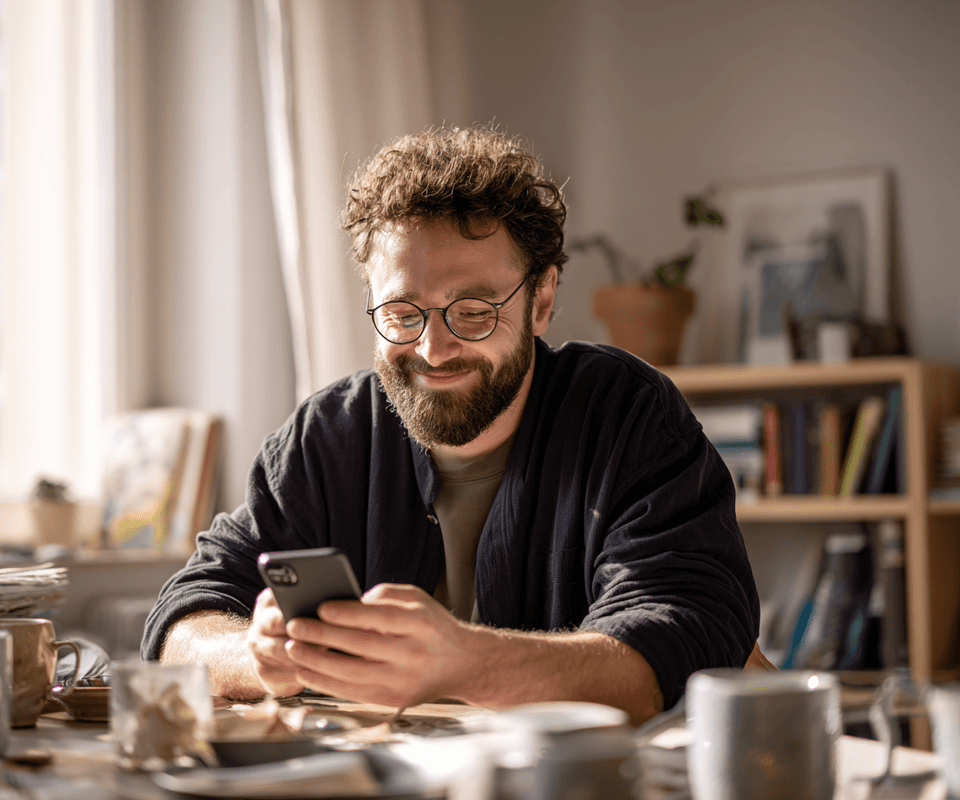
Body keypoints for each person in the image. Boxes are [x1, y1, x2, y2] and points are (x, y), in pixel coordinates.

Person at [141, 127, 759, 724]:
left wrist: (464, 664)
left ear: (540, 301)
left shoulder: (626, 417)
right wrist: (254, 656)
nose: (433, 349)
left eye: (473, 311)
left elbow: (687, 637)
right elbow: (183, 616)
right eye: (401, 313)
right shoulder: (327, 437)